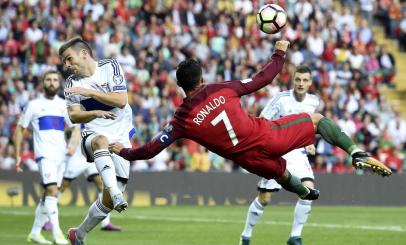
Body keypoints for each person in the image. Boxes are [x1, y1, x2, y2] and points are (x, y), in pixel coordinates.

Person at [110, 39, 391, 203]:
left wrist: (121, 151)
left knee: (281, 175)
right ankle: (357, 153)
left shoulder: (181, 119)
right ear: (202, 78)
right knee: (316, 120)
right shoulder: (221, 88)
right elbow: (263, 78)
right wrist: (279, 52)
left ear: (181, 86)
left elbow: (149, 150)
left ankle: (306, 193)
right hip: (266, 135)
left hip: (248, 161)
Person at [59, 37, 135, 245]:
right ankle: (115, 191)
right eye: (64, 61)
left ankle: (79, 233)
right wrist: (94, 114)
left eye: (69, 58)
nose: (66, 65)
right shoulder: (71, 83)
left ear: (83, 54)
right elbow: (74, 115)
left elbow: (121, 100)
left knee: (108, 201)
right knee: (100, 141)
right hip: (93, 133)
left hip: (121, 135)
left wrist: (90, 93)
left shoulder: (110, 66)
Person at [239, 65, 320, 245]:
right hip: (277, 151)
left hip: (298, 153)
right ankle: (246, 236)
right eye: (298, 79)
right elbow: (262, 121)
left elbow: (309, 127)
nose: (301, 83)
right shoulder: (281, 99)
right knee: (265, 198)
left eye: (305, 80)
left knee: (308, 191)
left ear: (310, 83)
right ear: (293, 80)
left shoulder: (313, 102)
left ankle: (295, 236)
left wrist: (310, 143)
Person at [14, 70, 72, 245]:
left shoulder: (64, 105)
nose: (52, 82)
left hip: (61, 157)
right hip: (44, 155)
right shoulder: (33, 105)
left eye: (55, 80)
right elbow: (19, 128)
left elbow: (75, 127)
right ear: (43, 82)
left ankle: (35, 233)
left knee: (48, 194)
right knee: (53, 191)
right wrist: (17, 155)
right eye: (49, 80)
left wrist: (73, 144)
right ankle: (57, 233)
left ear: (58, 83)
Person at [60, 137, 121, 231]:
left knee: (102, 185)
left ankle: (105, 223)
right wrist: (72, 144)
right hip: (79, 155)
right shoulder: (81, 122)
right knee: (62, 186)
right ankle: (46, 218)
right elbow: (73, 129)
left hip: (93, 155)